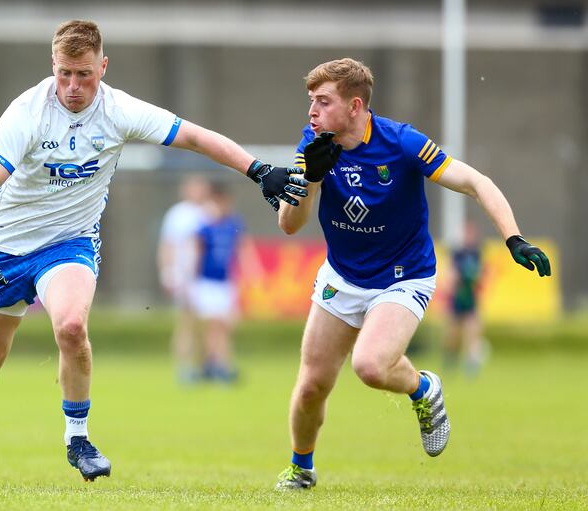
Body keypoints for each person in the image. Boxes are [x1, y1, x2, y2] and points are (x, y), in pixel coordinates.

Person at [0, 19, 309, 487]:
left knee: (71, 327)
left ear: (103, 67)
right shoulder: (27, 112)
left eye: (84, 74)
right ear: (52, 65)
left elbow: (195, 137)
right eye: (64, 74)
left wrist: (257, 170)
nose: (73, 86)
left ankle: (78, 439)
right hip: (6, 247)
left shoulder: (119, 111)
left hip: (68, 243)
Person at [274, 58, 551, 490]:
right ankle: (301, 468)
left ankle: (423, 389)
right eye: (311, 100)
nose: (312, 111)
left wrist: (513, 238)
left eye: (323, 101)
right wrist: (310, 177)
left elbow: (475, 182)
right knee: (312, 385)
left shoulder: (401, 142)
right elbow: (290, 224)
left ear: (355, 105)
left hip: (403, 276)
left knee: (370, 366)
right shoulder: (313, 144)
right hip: (342, 276)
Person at [191, 183, 262, 383]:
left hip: (225, 283)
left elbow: (243, 249)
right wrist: (191, 280)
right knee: (214, 325)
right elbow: (197, 252)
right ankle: (217, 366)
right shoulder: (205, 227)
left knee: (224, 326)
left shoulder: (233, 225)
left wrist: (251, 272)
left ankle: (213, 366)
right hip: (207, 282)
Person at [157, 175, 211, 383]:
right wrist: (168, 272)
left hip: (205, 276)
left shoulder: (208, 213)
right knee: (186, 322)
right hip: (184, 275)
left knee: (205, 325)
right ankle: (184, 367)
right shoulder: (178, 214)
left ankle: (204, 365)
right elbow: (167, 245)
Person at [443, 221, 489, 376]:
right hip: (457, 298)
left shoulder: (478, 253)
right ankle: (450, 360)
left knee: (473, 332)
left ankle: (471, 364)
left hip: (471, 298)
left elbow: (481, 275)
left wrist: (475, 278)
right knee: (453, 335)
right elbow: (451, 275)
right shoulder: (457, 253)